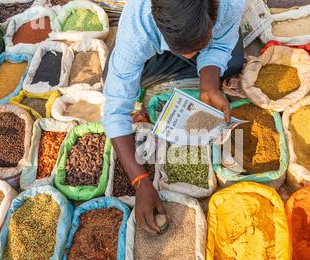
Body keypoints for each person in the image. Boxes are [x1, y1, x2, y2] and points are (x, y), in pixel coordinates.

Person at [103, 0, 246, 234]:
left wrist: (209, 84)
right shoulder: (138, 22)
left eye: (198, 47)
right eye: (184, 49)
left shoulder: (231, 4)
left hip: (192, 39)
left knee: (234, 62)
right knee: (112, 75)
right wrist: (140, 181)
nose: (191, 55)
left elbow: (221, 44)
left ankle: (188, 60)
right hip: (154, 44)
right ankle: (178, 59)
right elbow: (115, 108)